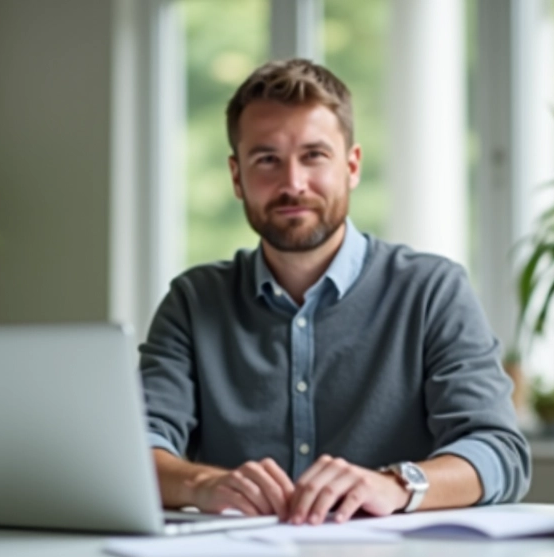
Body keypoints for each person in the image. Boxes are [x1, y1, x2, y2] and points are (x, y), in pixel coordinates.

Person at [140, 59, 530, 526]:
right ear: (236, 176)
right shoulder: (192, 301)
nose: (293, 184)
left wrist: (395, 484)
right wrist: (200, 484)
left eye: (314, 156)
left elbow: (499, 451)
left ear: (352, 165)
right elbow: (136, 446)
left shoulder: (432, 291)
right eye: (267, 159)